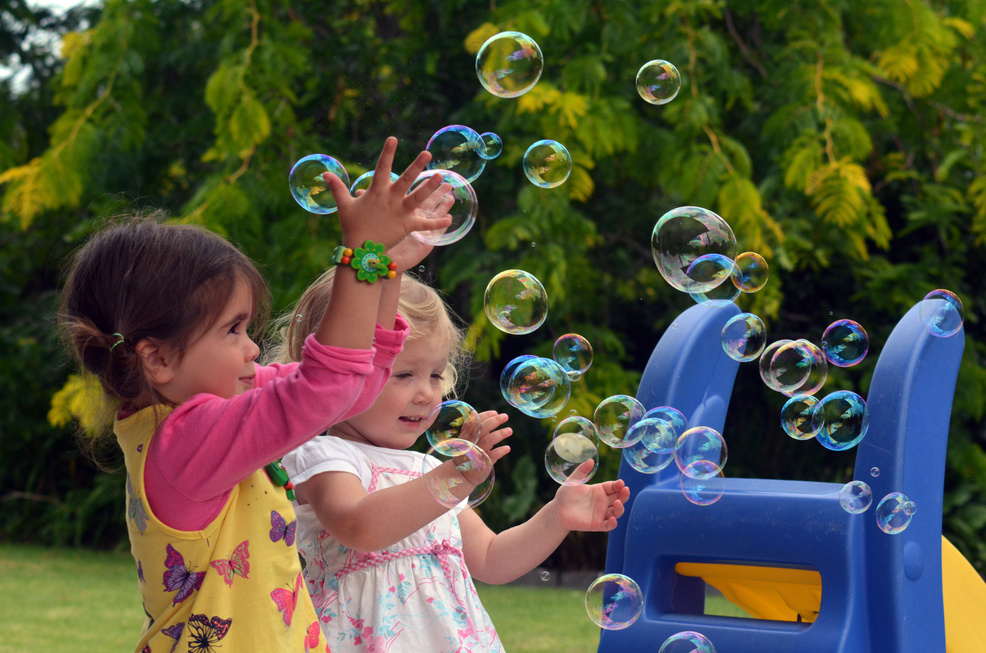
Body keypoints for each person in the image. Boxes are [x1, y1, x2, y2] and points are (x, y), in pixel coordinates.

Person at [57, 137, 452, 653]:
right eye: (233, 330)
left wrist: (385, 273)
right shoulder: (185, 440)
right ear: (158, 359)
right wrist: (361, 256)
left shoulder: (213, 418)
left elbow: (352, 392)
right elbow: (325, 387)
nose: (250, 349)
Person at [278, 268, 631, 652]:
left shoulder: (429, 468)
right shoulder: (322, 456)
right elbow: (360, 527)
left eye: (435, 374)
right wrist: (453, 478)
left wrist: (555, 516)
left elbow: (491, 558)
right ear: (335, 372)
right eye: (404, 374)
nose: (426, 393)